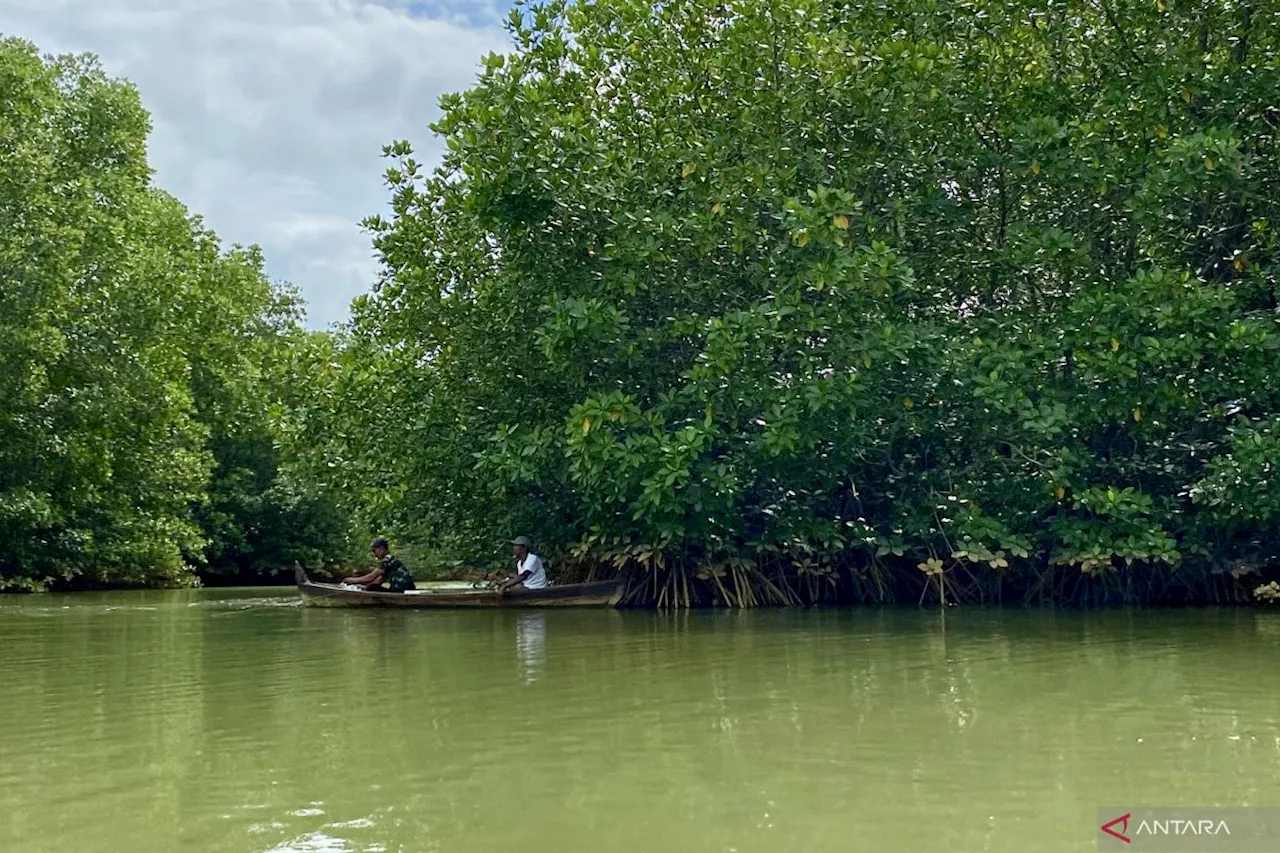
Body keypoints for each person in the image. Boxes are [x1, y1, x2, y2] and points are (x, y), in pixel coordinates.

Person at [342, 537, 416, 592]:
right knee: (373, 587)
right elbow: (377, 581)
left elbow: (371, 577)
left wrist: (352, 580)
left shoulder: (387, 560)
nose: (374, 554)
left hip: (401, 591)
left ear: (381, 548)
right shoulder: (391, 560)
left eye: (374, 550)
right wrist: (361, 587)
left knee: (373, 588)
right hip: (405, 590)